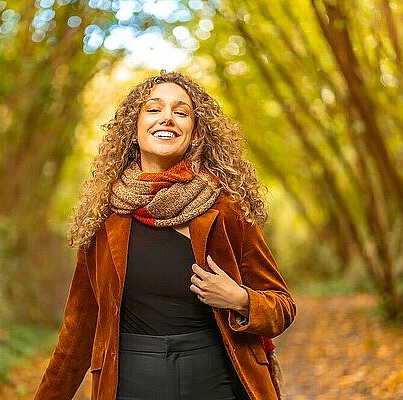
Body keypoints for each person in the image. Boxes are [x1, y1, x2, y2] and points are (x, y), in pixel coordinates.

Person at [34, 70, 296, 400]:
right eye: (154, 109)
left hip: (215, 381)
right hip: (129, 382)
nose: (167, 118)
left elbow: (282, 306)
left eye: (181, 112)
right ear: (134, 128)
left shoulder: (227, 209)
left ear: (195, 133)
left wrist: (240, 299)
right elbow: (77, 332)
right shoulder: (104, 217)